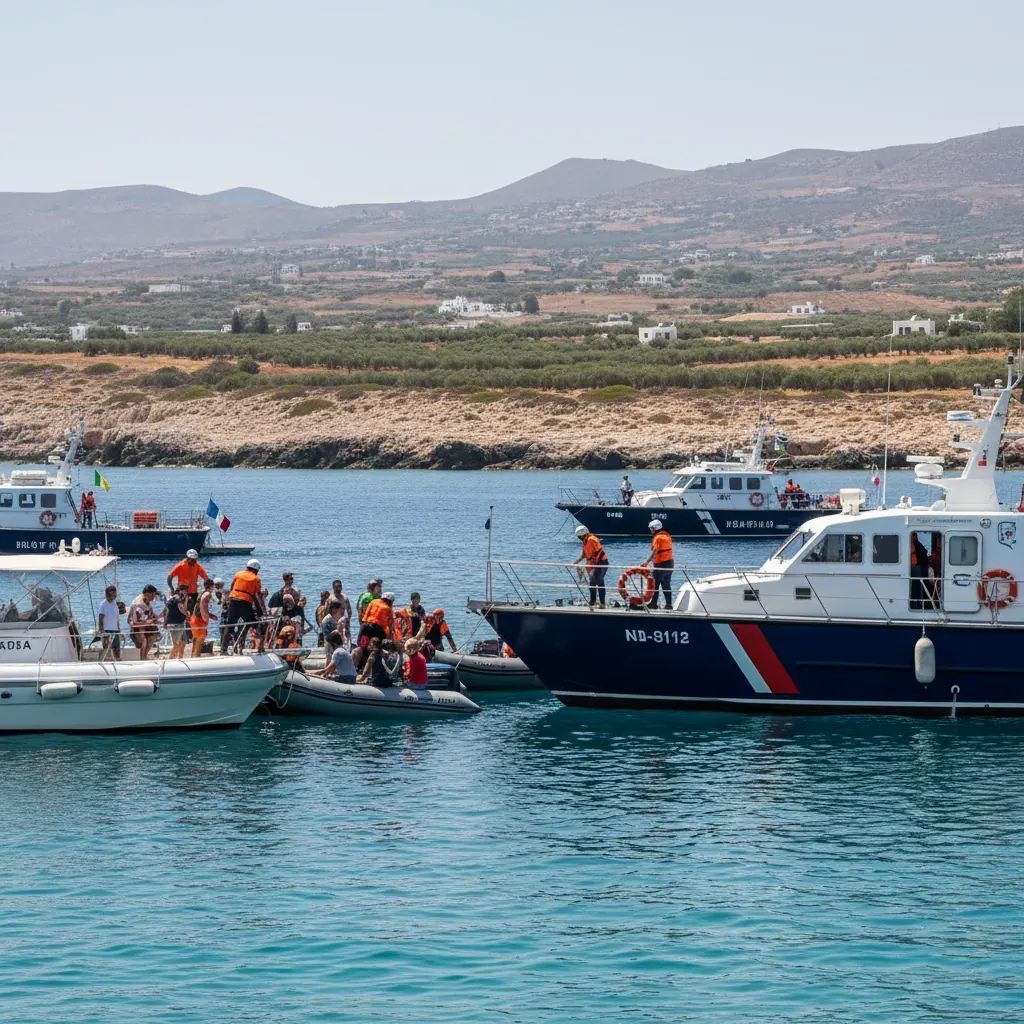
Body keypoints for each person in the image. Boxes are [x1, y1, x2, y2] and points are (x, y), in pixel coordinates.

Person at [225, 558, 266, 651]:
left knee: (230, 624)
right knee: (251, 622)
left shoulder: (238, 574)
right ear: (256, 570)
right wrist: (262, 611)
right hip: (245, 602)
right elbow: (258, 596)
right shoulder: (256, 579)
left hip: (233, 601)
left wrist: (229, 601)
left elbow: (232, 587)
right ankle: (243, 646)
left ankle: (224, 649)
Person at [572, 524, 609, 607]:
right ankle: (594, 601)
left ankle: (600, 603)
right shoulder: (584, 543)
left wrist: (595, 563)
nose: (579, 538)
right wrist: (576, 562)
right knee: (593, 582)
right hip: (592, 564)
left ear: (583, 535)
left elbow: (600, 551)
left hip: (601, 562)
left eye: (579, 537)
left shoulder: (592, 539)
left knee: (598, 581)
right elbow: (583, 555)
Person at [642, 518, 675, 609]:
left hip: (661, 564)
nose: (650, 530)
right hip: (670, 564)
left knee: (654, 584)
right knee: (666, 585)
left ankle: (653, 603)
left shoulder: (658, 538)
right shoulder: (667, 536)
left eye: (651, 528)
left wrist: (646, 562)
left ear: (655, 528)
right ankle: (669, 604)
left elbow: (655, 551)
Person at [167, 549, 209, 614]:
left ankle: (189, 623)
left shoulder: (197, 566)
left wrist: (207, 589)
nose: (194, 562)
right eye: (192, 560)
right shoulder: (180, 566)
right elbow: (169, 577)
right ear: (187, 558)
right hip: (182, 592)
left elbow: (206, 578)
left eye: (195, 560)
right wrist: (172, 589)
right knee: (180, 610)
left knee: (191, 611)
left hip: (193, 592)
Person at [128, 584, 161, 660]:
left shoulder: (146, 600)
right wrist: (150, 621)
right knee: (144, 641)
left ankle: (144, 656)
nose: (153, 598)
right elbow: (133, 620)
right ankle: (142, 658)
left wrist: (159, 619)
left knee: (154, 635)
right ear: (147, 593)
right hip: (136, 627)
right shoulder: (138, 604)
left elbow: (151, 613)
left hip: (145, 625)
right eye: (153, 595)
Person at [189, 578, 215, 657]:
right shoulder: (207, 594)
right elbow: (203, 604)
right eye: (213, 586)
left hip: (194, 618)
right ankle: (196, 658)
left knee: (196, 640)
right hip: (199, 620)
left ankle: (192, 656)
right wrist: (205, 617)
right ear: (211, 586)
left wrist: (209, 615)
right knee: (200, 641)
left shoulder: (202, 593)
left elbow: (198, 607)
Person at [164, 584, 190, 659]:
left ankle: (180, 658)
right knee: (176, 644)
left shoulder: (171, 600)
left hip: (179, 623)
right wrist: (187, 614)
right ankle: (170, 660)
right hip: (176, 625)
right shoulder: (178, 600)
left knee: (183, 642)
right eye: (185, 591)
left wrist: (165, 622)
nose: (186, 592)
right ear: (181, 591)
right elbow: (183, 610)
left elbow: (166, 611)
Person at [98, 584, 122, 660]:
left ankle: (118, 661)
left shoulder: (115, 603)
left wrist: (119, 630)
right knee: (106, 648)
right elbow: (100, 618)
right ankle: (103, 661)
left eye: (114, 595)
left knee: (116, 648)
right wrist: (102, 632)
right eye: (111, 595)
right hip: (106, 630)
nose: (113, 597)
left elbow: (116, 618)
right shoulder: (103, 604)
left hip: (115, 630)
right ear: (107, 594)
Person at [910, 532, 931, 609]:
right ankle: (919, 602)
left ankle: (920, 602)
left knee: (919, 586)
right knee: (918, 586)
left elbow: (923, 552)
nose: (912, 538)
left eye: (913, 536)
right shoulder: (916, 544)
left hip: (919, 567)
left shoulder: (916, 544)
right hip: (918, 567)